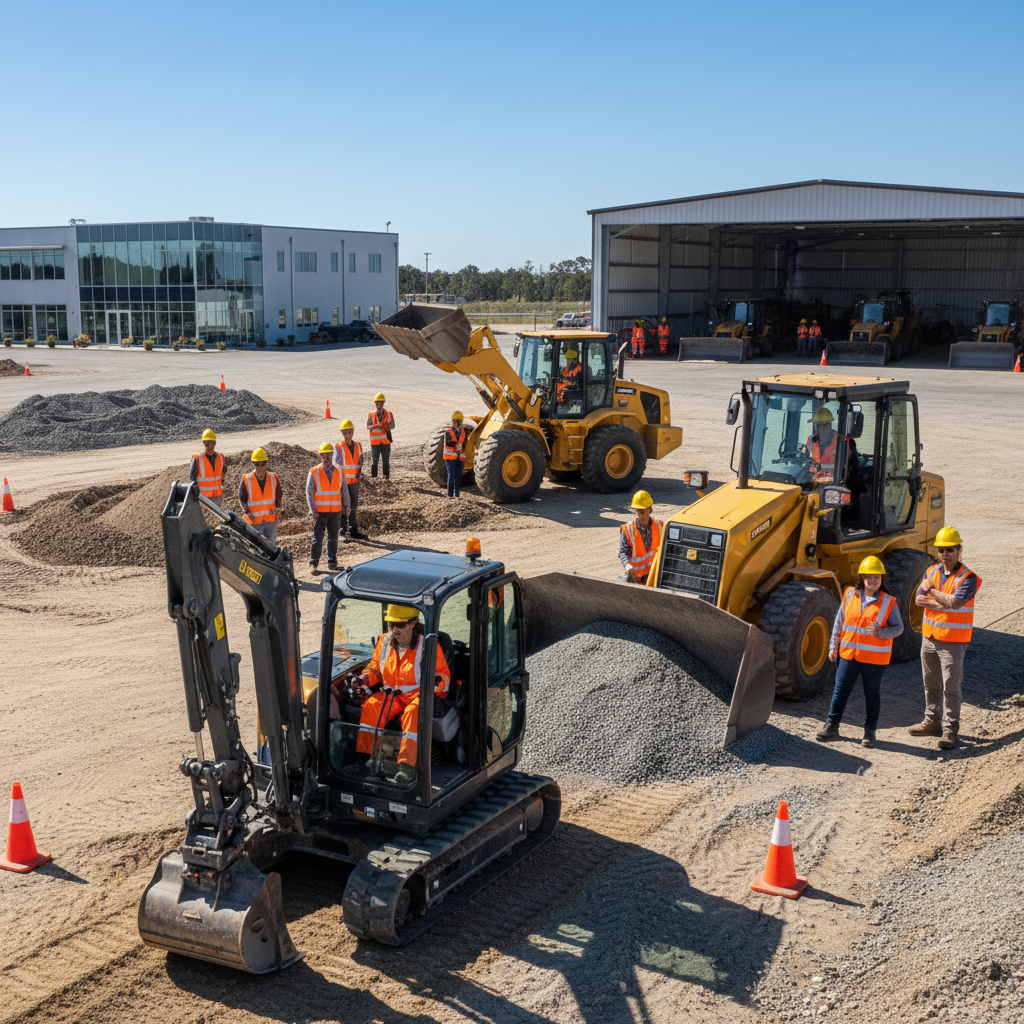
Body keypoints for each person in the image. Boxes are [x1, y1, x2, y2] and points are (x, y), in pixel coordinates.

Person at [353, 604, 451, 786]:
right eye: (391, 625)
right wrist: (365, 678)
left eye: (400, 625)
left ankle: (406, 768)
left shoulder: (428, 645)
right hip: (391, 694)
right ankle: (364, 760)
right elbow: (375, 668)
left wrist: (435, 685)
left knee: (414, 713)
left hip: (418, 695)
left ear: (413, 623)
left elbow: (443, 678)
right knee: (372, 705)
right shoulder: (384, 642)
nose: (395, 630)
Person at [816, 556, 904, 748]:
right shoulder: (850, 595)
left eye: (877, 578)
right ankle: (831, 726)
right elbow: (839, 622)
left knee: (871, 694)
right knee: (840, 691)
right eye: (869, 578)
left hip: (874, 658)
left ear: (882, 579)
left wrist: (881, 632)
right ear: (862, 578)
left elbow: (899, 628)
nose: (873, 581)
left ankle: (869, 733)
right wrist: (833, 646)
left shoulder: (888, 602)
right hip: (848, 654)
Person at [911, 526, 982, 750]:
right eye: (941, 549)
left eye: (949, 549)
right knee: (930, 683)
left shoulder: (968, 578)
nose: (945, 554)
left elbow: (955, 603)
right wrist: (941, 600)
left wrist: (931, 591)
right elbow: (917, 601)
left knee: (951, 688)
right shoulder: (931, 571)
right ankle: (932, 721)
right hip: (929, 638)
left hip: (953, 640)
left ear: (959, 550)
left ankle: (950, 730)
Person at [306, 441, 350, 572]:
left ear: (333, 455)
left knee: (333, 537)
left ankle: (332, 562)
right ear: (320, 456)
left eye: (329, 456)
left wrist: (347, 504)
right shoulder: (314, 471)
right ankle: (314, 564)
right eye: (324, 456)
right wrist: (312, 509)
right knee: (317, 538)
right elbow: (309, 491)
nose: (327, 459)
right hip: (320, 512)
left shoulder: (338, 471)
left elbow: (344, 489)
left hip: (335, 511)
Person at [618, 490, 663, 585]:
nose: (640, 513)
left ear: (650, 509)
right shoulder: (628, 530)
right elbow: (623, 552)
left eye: (642, 510)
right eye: (638, 510)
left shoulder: (660, 526)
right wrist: (628, 568)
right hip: (635, 579)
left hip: (654, 576)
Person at [238, 447, 282, 543]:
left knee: (271, 546)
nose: (261, 467)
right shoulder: (247, 479)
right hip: (254, 520)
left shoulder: (273, 477)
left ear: (266, 463)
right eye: (258, 465)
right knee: (256, 547)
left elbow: (279, 495)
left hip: (270, 519)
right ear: (254, 464)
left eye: (263, 464)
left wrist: (278, 509)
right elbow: (242, 498)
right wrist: (247, 512)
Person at [334, 419, 367, 541]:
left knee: (353, 507)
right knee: (343, 506)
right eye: (345, 432)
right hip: (343, 482)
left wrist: (359, 472)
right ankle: (342, 532)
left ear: (352, 432)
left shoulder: (358, 445)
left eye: (350, 432)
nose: (348, 435)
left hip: (354, 482)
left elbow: (360, 459)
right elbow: (337, 465)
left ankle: (354, 531)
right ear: (342, 433)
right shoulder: (338, 446)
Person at [805, 407, 842, 484]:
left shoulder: (841, 442)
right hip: (813, 480)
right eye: (817, 425)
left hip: (833, 482)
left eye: (820, 425)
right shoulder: (811, 440)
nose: (817, 428)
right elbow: (805, 461)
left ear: (829, 425)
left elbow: (848, 468)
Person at [189, 428, 225, 507]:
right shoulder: (197, 459)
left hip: (217, 497)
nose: (210, 446)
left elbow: (222, 475)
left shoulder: (221, 457)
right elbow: (192, 480)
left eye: (212, 443)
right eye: (207, 444)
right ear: (204, 444)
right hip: (203, 499)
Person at [367, 392, 395, 480]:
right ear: (375, 403)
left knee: (385, 462)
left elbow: (393, 425)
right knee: (374, 462)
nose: (379, 404)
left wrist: (385, 426)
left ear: (383, 403)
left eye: (381, 402)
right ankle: (374, 479)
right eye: (377, 402)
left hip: (386, 442)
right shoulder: (371, 414)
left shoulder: (389, 414)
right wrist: (377, 427)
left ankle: (386, 479)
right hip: (375, 443)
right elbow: (368, 427)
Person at [442, 411, 468, 498]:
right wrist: (456, 445)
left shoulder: (464, 431)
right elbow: (448, 443)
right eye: (455, 421)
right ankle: (449, 495)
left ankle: (456, 495)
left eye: (459, 421)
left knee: (458, 476)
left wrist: (462, 450)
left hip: (460, 457)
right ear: (453, 422)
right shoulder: (448, 432)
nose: (457, 423)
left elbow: (465, 442)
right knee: (451, 475)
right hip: (450, 457)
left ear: (461, 421)